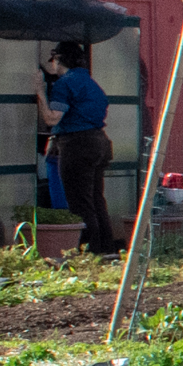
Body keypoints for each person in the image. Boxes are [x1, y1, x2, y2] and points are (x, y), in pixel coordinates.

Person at [41, 43, 124, 257]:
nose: (51, 64)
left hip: (77, 145)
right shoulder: (90, 83)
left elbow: (52, 117)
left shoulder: (64, 84)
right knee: (96, 199)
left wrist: (39, 93)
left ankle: (89, 252)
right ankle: (107, 249)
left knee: (79, 201)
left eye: (52, 60)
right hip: (100, 142)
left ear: (59, 59)